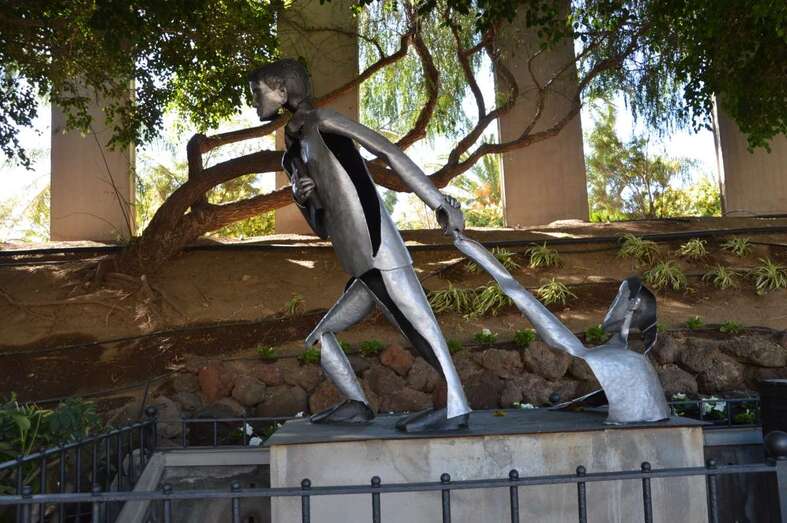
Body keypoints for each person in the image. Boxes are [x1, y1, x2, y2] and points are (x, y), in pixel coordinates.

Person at [248, 59, 471, 431]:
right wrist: (303, 198)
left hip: (381, 248)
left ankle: (456, 408)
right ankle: (356, 403)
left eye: (258, 92)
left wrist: (438, 202)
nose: (254, 101)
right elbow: (321, 225)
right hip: (358, 264)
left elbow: (389, 152)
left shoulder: (324, 121)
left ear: (283, 92)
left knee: (420, 327)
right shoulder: (292, 152)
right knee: (322, 336)